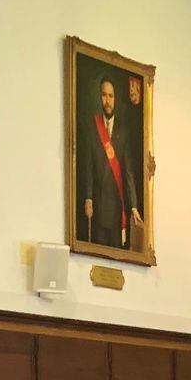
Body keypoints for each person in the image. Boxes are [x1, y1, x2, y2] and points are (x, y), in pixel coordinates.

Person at [77, 76, 143, 251]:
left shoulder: (124, 131)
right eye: (104, 95)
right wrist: (88, 197)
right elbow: (88, 166)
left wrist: (134, 206)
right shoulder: (93, 126)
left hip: (116, 208)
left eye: (111, 96)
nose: (107, 100)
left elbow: (128, 171)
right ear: (100, 97)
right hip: (98, 207)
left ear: (115, 98)